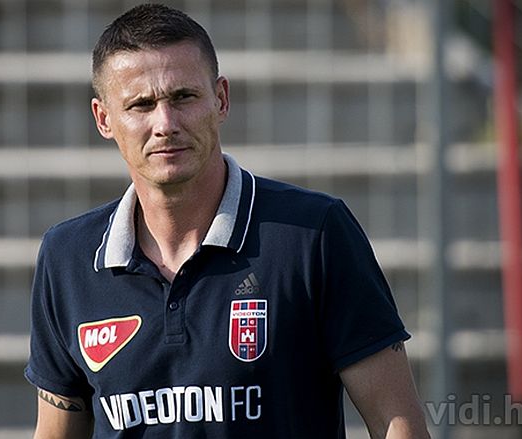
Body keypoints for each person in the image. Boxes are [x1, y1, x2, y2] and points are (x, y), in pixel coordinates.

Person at [25, 4, 430, 438]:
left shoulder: (314, 234)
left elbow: (396, 423)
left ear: (220, 99)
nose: (165, 124)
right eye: (141, 105)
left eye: (183, 97)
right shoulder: (67, 258)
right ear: (104, 119)